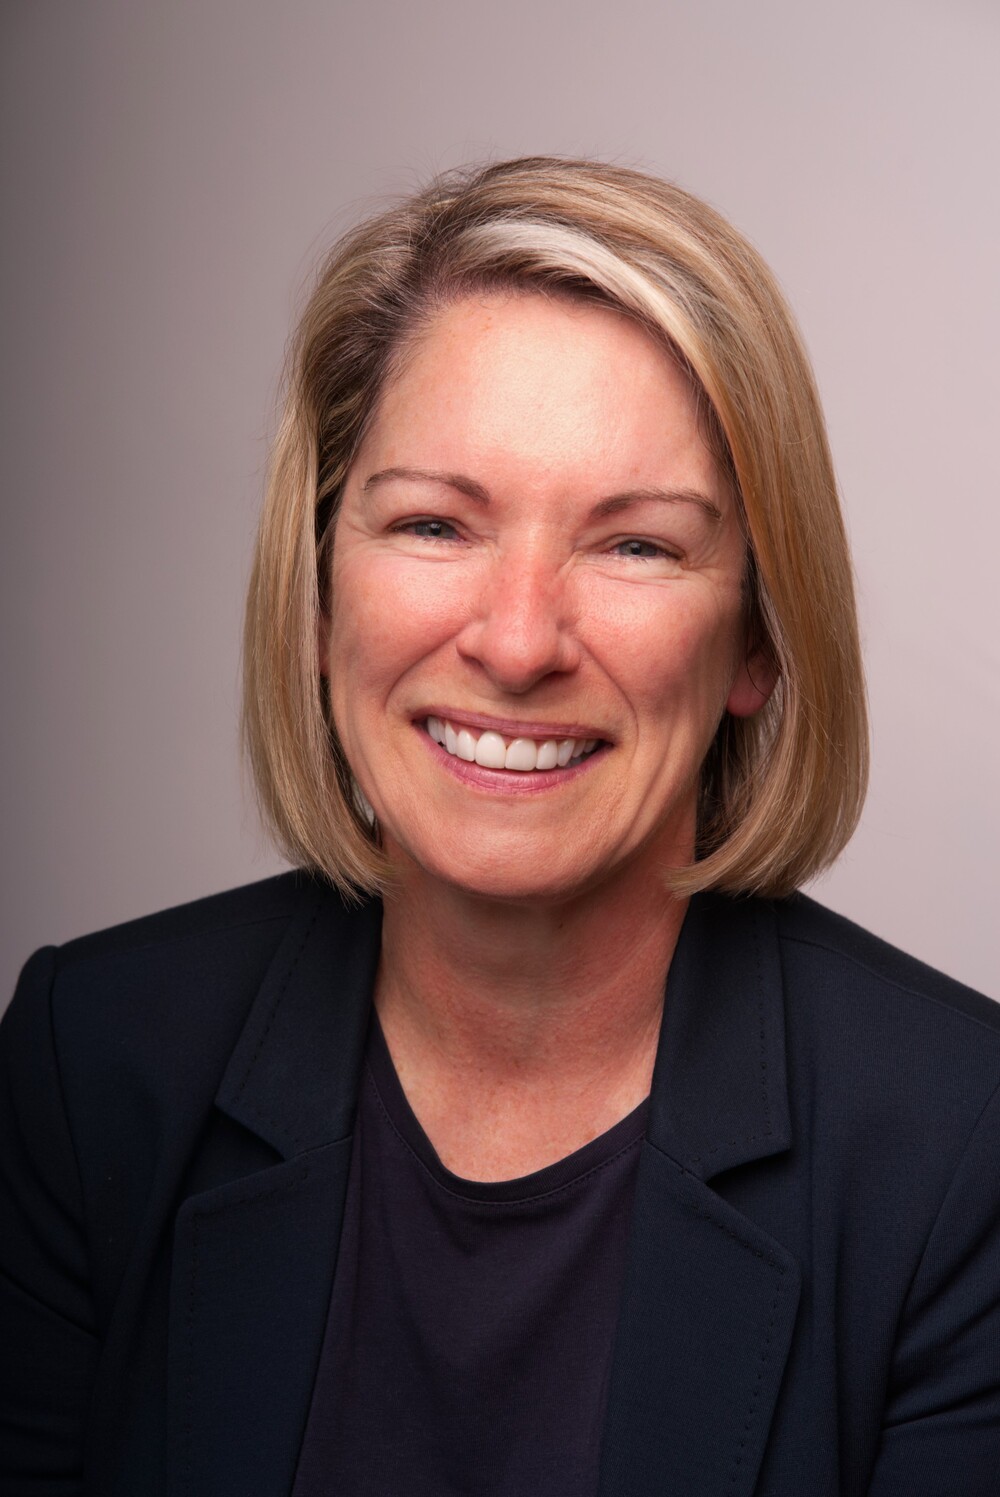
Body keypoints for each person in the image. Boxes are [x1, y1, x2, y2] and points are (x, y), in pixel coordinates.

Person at [1, 157, 998, 1497]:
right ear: (316, 595)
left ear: (758, 635)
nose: (519, 641)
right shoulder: (93, 1066)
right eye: (432, 522)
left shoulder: (956, 1146)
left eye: (635, 544)